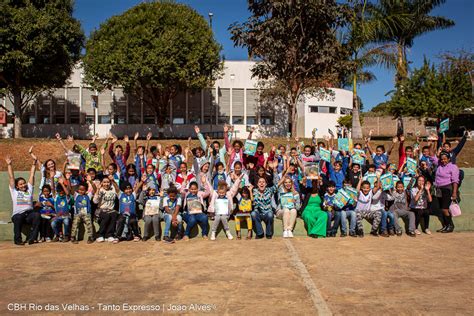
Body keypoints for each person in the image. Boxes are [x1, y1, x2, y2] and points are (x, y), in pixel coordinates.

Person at [7, 156, 40, 245]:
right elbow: (11, 177)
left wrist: (34, 163)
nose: (23, 185)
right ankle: (18, 240)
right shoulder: (14, 191)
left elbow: (32, 175)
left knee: (36, 215)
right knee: (17, 217)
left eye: (24, 183)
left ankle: (32, 238)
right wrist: (9, 165)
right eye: (21, 184)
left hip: (29, 215)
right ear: (17, 186)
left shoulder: (29, 190)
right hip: (18, 215)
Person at [208, 173, 243, 240]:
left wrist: (238, 179)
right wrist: (206, 181)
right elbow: (210, 188)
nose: (221, 194)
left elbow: (234, 188)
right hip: (217, 213)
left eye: (223, 193)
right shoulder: (215, 194)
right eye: (220, 193)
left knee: (223, 218)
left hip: (226, 213)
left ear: (225, 190)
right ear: (218, 191)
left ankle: (227, 232)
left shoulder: (228, 194)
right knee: (218, 218)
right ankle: (213, 232)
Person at [432, 151, 459, 233]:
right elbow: (431, 155)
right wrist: (431, 143)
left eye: (445, 159)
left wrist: (454, 193)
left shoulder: (453, 167)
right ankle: (445, 226)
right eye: (442, 159)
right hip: (439, 189)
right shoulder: (439, 164)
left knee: (445, 209)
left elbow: (455, 181)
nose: (443, 161)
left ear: (449, 159)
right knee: (441, 209)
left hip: (447, 189)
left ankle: (450, 225)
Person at [181, 176, 212, 241]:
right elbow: (181, 191)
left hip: (198, 213)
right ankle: (186, 235)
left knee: (204, 217)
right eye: (192, 189)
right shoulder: (186, 193)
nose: (193, 191)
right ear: (189, 189)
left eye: (195, 189)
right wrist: (185, 181)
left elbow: (208, 192)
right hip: (188, 213)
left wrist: (204, 183)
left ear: (197, 189)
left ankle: (204, 234)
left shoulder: (200, 194)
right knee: (192, 219)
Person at [70, 176, 96, 244]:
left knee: (89, 224)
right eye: (80, 190)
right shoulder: (76, 195)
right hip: (77, 213)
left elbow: (95, 190)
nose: (81, 191)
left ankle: (91, 237)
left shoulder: (88, 195)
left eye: (83, 190)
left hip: (86, 213)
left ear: (86, 190)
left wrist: (91, 182)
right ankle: (73, 237)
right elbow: (71, 190)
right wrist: (68, 180)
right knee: (75, 224)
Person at [93, 175, 119, 242]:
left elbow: (119, 192)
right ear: (102, 183)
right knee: (106, 215)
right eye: (104, 182)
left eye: (108, 182)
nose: (106, 184)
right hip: (100, 210)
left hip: (111, 210)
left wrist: (113, 181)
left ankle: (109, 235)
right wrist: (98, 189)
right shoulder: (100, 190)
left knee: (114, 214)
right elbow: (95, 201)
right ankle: (100, 235)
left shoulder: (113, 189)